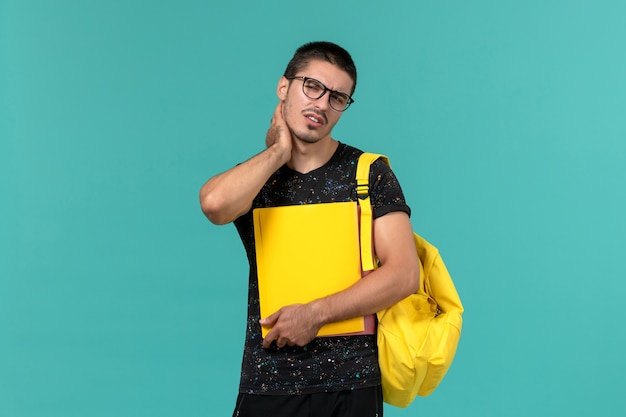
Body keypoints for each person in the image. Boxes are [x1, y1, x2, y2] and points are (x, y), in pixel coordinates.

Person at [199, 41, 420, 417]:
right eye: (312, 86)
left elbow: (403, 274)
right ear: (283, 87)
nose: (321, 103)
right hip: (269, 380)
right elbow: (215, 205)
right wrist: (276, 154)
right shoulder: (258, 177)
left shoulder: (369, 173)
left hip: (352, 386)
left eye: (338, 97)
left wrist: (314, 315)